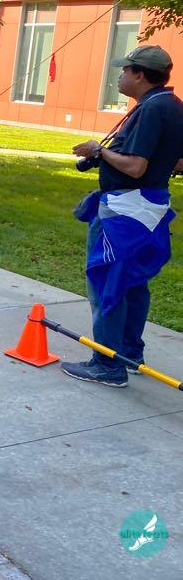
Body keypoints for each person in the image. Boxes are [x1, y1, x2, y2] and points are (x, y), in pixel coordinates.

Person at [62, 45, 182, 387]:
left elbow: (135, 166)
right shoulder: (172, 105)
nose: (120, 76)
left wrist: (99, 151)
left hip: (126, 210)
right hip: (150, 206)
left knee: (108, 282)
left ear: (140, 75)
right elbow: (177, 161)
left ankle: (107, 364)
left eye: (125, 70)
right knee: (132, 282)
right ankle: (130, 355)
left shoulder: (152, 109)